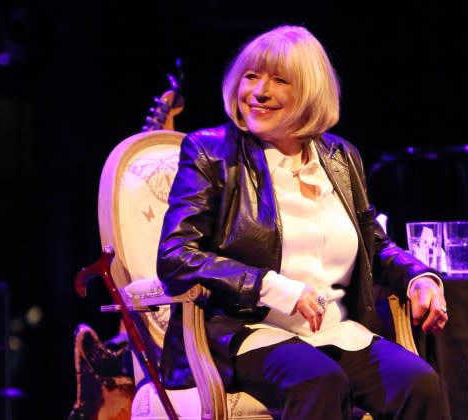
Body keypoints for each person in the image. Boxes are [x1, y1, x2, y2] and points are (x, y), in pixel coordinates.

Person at [156, 24, 450, 419]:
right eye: (251, 76)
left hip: (334, 331)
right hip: (246, 331)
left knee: (418, 383)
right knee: (318, 381)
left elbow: (373, 244)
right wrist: (270, 287)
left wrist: (419, 279)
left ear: (311, 92)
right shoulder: (210, 152)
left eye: (280, 81)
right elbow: (176, 255)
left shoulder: (340, 157)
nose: (258, 92)